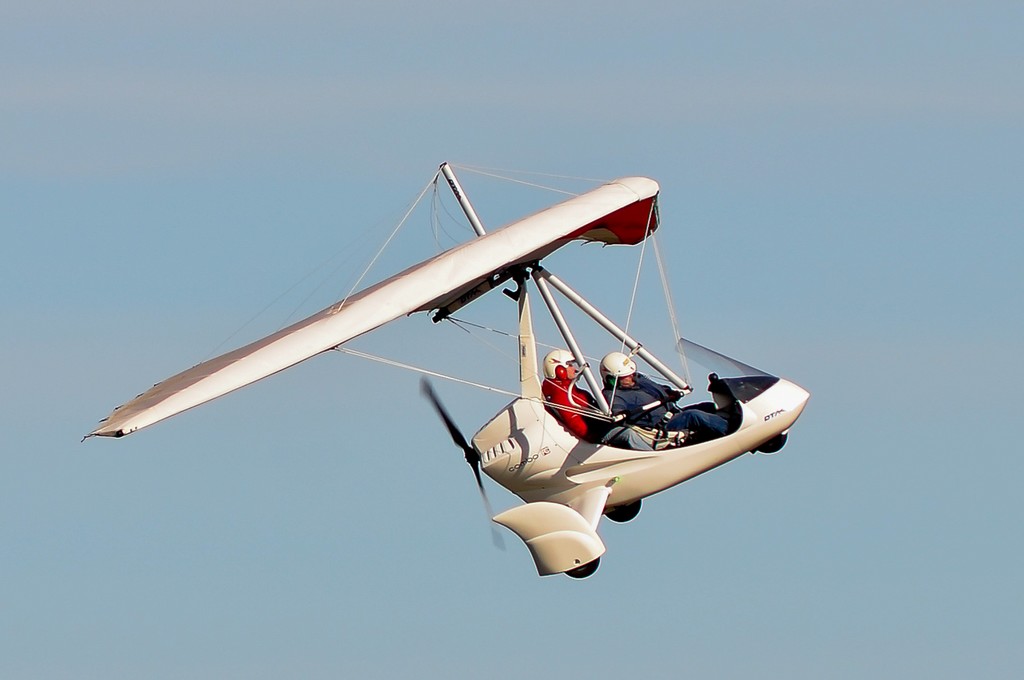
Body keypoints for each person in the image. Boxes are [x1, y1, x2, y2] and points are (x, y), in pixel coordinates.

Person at [600, 351, 730, 445]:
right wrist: (620, 414)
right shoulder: (613, 395)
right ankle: (732, 431)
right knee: (694, 416)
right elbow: (616, 411)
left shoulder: (639, 380)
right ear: (611, 379)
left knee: (708, 407)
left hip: (673, 413)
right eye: (625, 376)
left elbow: (659, 389)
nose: (630, 377)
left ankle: (734, 419)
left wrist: (670, 393)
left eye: (631, 374)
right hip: (662, 426)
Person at [541, 349, 652, 450]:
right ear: (559, 370)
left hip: (601, 426)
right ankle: (652, 456)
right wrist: (592, 437)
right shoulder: (559, 394)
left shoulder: (571, 390)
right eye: (569, 365)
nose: (574, 369)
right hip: (596, 433)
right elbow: (573, 420)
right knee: (628, 434)